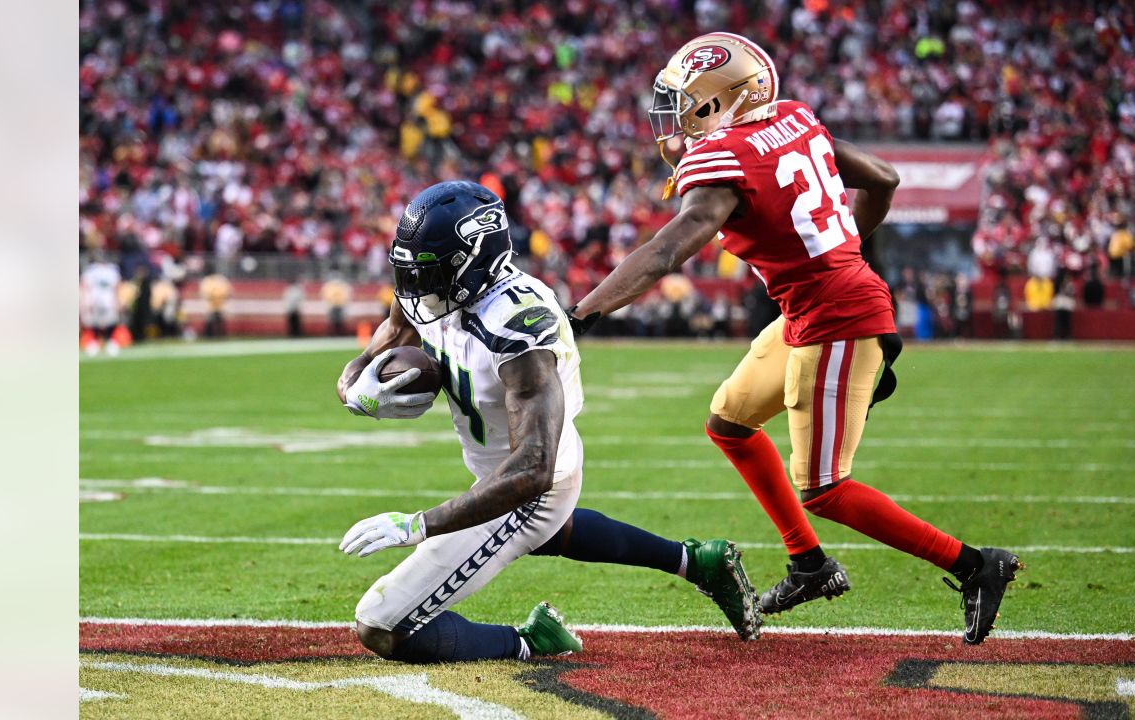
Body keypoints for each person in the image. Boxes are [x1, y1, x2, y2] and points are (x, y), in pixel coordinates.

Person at [568, 33, 1021, 644]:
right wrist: (845, 246)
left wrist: (583, 313)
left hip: (837, 317)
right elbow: (884, 178)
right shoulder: (793, 119)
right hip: (812, 306)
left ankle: (973, 564)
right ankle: (809, 564)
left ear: (724, 99)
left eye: (689, 103)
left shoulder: (723, 160)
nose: (675, 118)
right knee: (729, 420)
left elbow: (668, 249)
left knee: (826, 487)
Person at [335, 180, 760, 664]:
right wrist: (354, 387)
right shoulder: (432, 288)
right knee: (554, 533)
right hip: (508, 462)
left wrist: (419, 525)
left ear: (472, 262)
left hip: (532, 481)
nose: (414, 289)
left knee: (382, 625)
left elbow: (531, 469)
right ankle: (698, 562)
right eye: (409, 272)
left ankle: (532, 640)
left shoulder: (518, 330)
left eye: (427, 274)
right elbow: (388, 334)